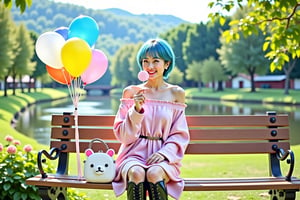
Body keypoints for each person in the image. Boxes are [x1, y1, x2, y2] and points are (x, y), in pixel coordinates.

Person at [112, 38, 190, 200]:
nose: (150, 66)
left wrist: (165, 153)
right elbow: (123, 136)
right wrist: (136, 110)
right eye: (145, 61)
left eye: (156, 61)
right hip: (132, 154)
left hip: (163, 156)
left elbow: (179, 133)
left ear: (166, 64)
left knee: (154, 173)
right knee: (136, 172)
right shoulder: (131, 92)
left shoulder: (176, 93)